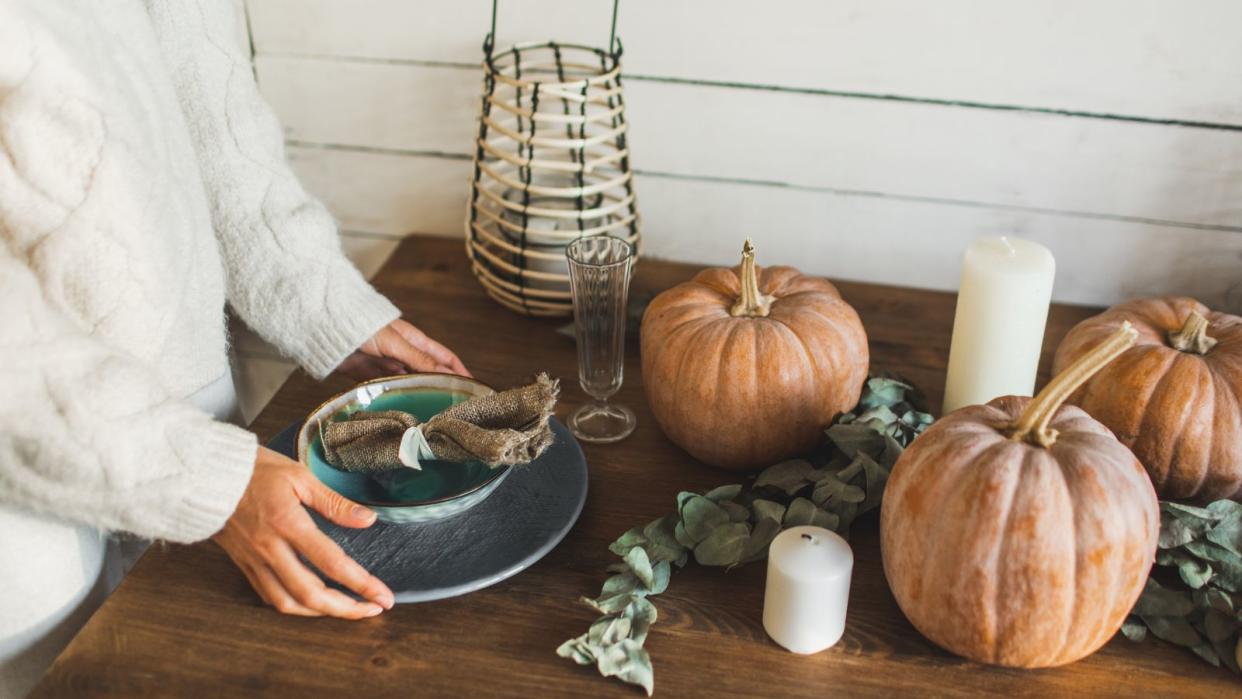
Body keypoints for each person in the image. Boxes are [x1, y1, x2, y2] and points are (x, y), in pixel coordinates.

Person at [0, 1, 468, 694]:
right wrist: (200, 478)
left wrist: (319, 299)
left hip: (198, 418)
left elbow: (204, 91)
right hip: (28, 514)